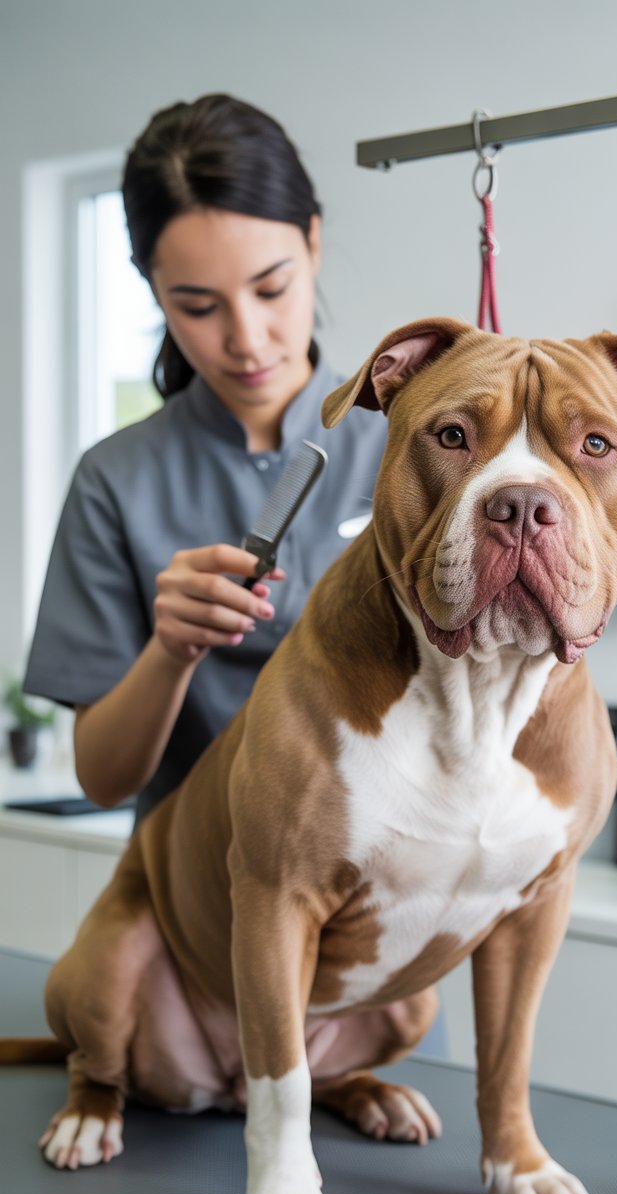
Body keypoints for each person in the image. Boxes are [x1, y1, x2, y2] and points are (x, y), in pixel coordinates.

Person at [23, 94, 387, 823]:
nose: (247, 339)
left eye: (271, 288)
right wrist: (170, 651)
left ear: (313, 243)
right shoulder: (115, 481)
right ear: (150, 285)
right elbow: (104, 780)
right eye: (197, 306)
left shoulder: (409, 444)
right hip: (191, 889)